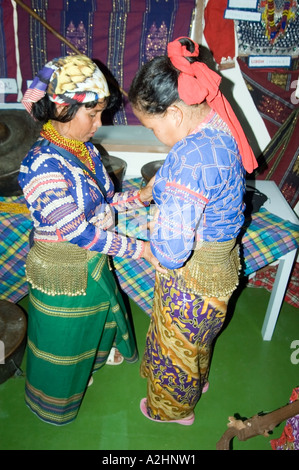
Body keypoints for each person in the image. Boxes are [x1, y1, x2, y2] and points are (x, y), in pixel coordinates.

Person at [19, 54, 164, 426]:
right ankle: (52, 403)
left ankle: (94, 361)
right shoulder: (40, 165)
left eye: (101, 113)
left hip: (93, 258)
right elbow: (78, 232)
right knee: (63, 338)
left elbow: (102, 200)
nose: (99, 124)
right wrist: (141, 249)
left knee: (94, 321)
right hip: (64, 270)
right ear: (63, 109)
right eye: (93, 114)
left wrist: (139, 197)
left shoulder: (85, 151)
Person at [128, 37, 258, 425]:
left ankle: (172, 411)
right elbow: (186, 165)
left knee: (177, 345)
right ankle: (195, 381)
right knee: (197, 337)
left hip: (194, 276)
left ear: (174, 114)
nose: (154, 136)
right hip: (220, 263)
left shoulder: (190, 160)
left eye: (152, 128)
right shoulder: (215, 121)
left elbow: (169, 253)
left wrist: (149, 233)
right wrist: (154, 189)